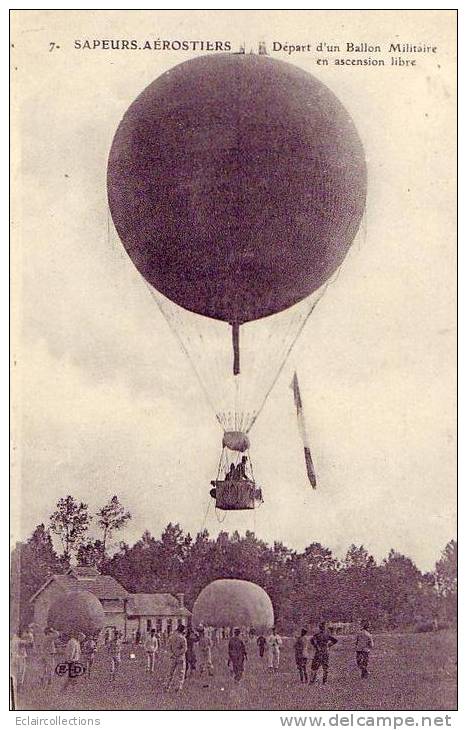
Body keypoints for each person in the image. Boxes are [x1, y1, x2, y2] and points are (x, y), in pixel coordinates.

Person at [165, 624, 187, 692]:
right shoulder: (183, 638)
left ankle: (167, 686)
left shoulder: (172, 637)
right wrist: (178, 653)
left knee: (170, 672)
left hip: (173, 656)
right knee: (181, 672)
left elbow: (168, 647)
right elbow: (184, 649)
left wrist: (172, 654)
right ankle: (178, 687)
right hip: (180, 657)